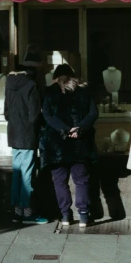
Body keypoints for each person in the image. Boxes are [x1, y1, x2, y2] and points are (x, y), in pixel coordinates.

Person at [42, 64, 98, 227]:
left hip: (57, 144)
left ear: (56, 77)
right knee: (81, 180)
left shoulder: (50, 92)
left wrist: (64, 130)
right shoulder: (84, 91)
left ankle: (66, 215)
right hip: (80, 143)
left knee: (59, 181)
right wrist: (79, 128)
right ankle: (83, 215)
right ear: (73, 76)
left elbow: (47, 115)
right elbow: (93, 113)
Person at [4, 62, 48, 225]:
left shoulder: (8, 84)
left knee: (17, 173)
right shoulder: (31, 85)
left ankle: (17, 212)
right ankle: (28, 211)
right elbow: (34, 114)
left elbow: (6, 112)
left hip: (14, 133)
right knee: (27, 174)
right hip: (28, 135)